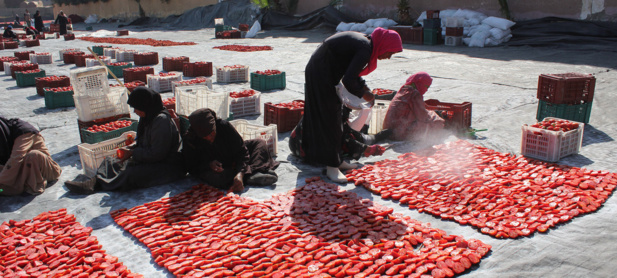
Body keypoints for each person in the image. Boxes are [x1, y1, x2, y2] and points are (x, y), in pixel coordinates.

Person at [299, 27, 402, 183]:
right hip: (320, 72)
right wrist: (364, 94)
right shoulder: (365, 48)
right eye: (390, 52)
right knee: (330, 118)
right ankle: (332, 167)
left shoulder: (365, 45)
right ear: (384, 45)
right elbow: (348, 80)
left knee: (337, 115)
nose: (388, 57)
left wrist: (364, 88)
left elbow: (353, 73)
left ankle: (337, 160)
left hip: (325, 71)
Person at [64, 87, 186, 194]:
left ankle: (96, 184)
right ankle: (96, 181)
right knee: (110, 160)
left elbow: (157, 154)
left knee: (130, 173)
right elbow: (143, 141)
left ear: (145, 106)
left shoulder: (161, 121)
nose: (134, 111)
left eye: (136, 108)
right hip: (153, 159)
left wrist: (133, 153)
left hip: (169, 166)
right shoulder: (148, 117)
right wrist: (131, 147)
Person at [182, 108, 279, 193]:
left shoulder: (224, 126)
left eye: (212, 134)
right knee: (218, 178)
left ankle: (246, 175)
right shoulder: (190, 139)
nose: (209, 138)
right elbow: (191, 166)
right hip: (218, 170)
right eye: (205, 137)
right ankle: (253, 174)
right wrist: (209, 164)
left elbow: (242, 151)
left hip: (232, 157)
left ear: (215, 125)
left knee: (259, 143)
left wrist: (240, 173)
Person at [289, 107, 392, 162]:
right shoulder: (336, 109)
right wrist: (366, 149)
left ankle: (370, 138)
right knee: (349, 137)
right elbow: (342, 138)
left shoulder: (321, 98)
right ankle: (370, 139)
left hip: (296, 143)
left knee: (349, 132)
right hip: (312, 152)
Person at [0, 116, 62, 196]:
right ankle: (15, 184)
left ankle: (18, 185)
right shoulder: (5, 135)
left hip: (45, 171)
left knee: (33, 155)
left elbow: (16, 159)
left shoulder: (23, 130)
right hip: (18, 171)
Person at [382, 72, 446, 141]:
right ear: (419, 83)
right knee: (437, 121)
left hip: (389, 131)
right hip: (401, 134)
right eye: (426, 86)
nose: (426, 89)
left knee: (430, 114)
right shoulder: (414, 94)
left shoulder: (403, 89)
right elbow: (422, 116)